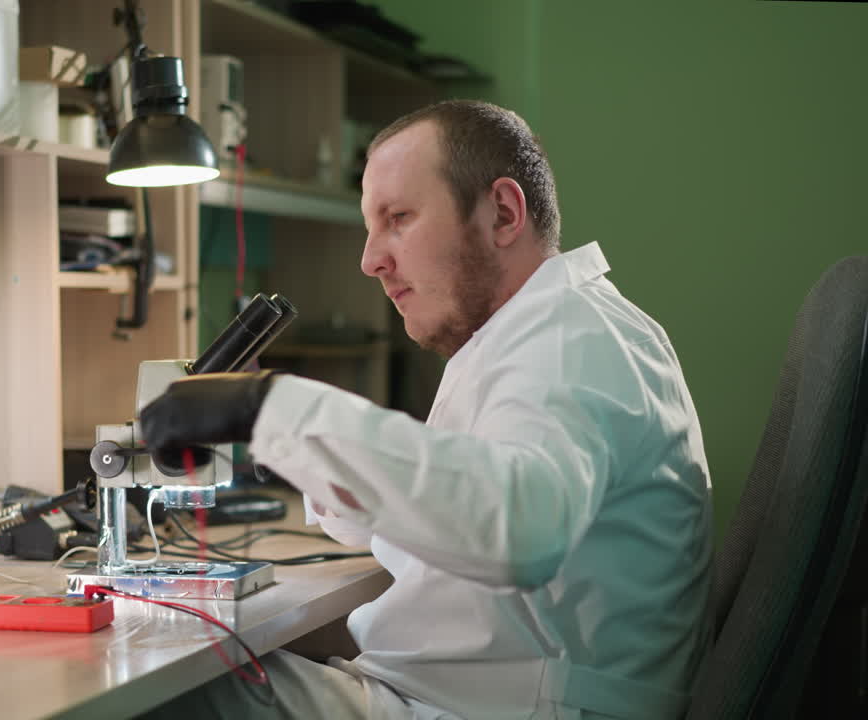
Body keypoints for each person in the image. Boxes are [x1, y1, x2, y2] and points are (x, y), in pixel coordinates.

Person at [138, 100, 713, 720]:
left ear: (503, 212)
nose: (370, 259)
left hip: (500, 709)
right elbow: (433, 512)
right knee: (178, 671)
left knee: (157, 686)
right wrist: (278, 432)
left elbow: (518, 529)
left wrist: (269, 407)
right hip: (463, 697)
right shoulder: (521, 337)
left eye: (399, 218)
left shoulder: (573, 340)